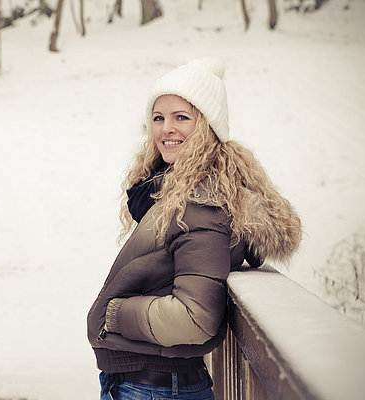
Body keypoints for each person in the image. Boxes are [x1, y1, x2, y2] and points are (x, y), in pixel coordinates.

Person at [86, 57, 302, 400]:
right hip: (153, 383)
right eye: (158, 118)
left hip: (154, 388)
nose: (166, 129)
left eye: (181, 117)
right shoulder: (176, 193)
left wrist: (114, 313)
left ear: (208, 127)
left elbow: (195, 318)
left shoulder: (200, 205)